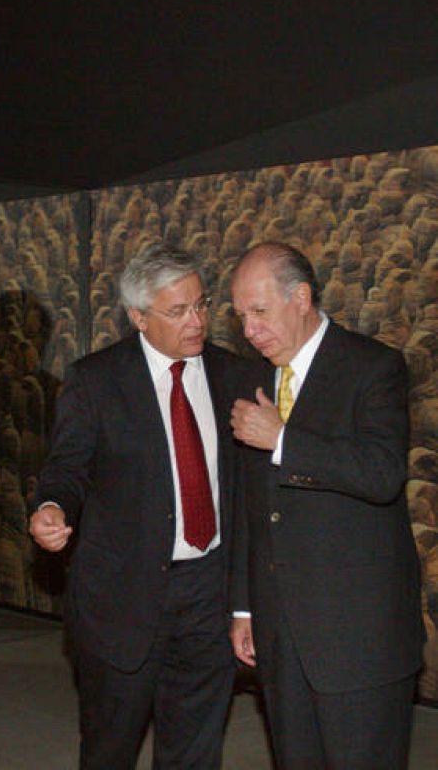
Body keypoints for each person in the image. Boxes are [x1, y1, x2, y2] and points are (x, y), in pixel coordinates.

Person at [30, 244, 241, 769]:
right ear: (138, 317)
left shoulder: (235, 375)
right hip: (122, 594)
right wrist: (52, 506)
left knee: (196, 746)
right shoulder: (97, 380)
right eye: (178, 311)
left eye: (201, 304)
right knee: (110, 744)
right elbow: (68, 466)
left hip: (209, 591)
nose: (197, 321)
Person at [229, 241, 424, 769]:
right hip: (281, 634)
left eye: (259, 312)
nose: (249, 330)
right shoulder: (253, 379)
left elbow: (382, 474)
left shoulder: (373, 367)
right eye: (241, 316)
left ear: (301, 297)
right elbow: (252, 506)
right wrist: (244, 605)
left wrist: (284, 441)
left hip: (358, 638)